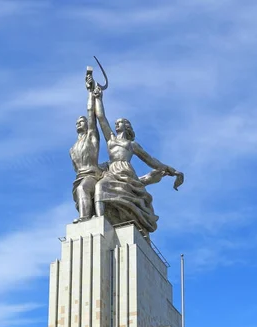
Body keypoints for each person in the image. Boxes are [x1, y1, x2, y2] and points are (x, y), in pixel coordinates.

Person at [92, 85, 183, 235]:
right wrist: (98, 98)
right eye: (117, 122)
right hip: (111, 171)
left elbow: (151, 160)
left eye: (120, 122)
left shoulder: (132, 145)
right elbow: (101, 118)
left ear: (126, 127)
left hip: (126, 173)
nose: (117, 123)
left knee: (109, 190)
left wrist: (172, 170)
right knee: (100, 186)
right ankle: (99, 222)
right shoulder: (111, 140)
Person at [70, 73, 103, 222]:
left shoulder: (91, 137)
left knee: (83, 189)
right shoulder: (72, 149)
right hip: (79, 177)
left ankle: (84, 219)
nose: (79, 122)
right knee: (80, 189)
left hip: (92, 175)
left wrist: (90, 92)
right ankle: (88, 215)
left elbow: (91, 113)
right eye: (77, 121)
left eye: (82, 121)